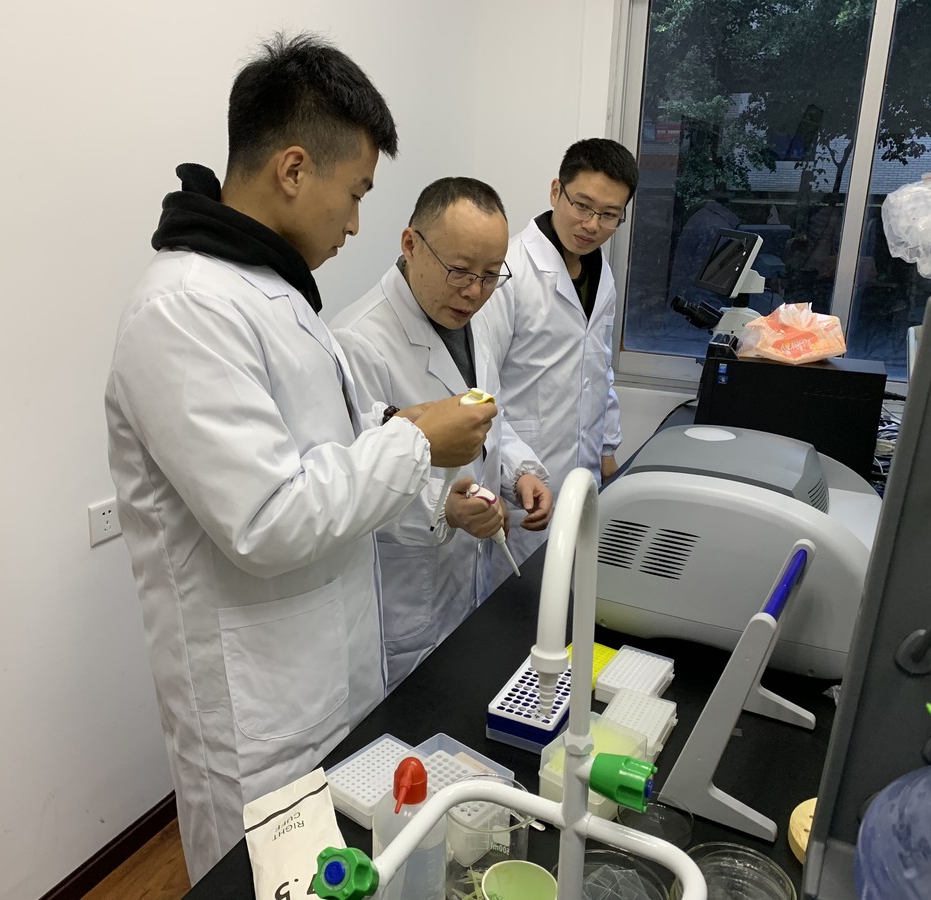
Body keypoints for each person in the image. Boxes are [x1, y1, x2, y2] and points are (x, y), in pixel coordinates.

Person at [103, 34, 495, 883]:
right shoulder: (185, 310)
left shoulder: (274, 290)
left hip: (328, 671)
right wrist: (415, 440)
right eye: (354, 193)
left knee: (342, 873)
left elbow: (333, 443)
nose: (355, 223)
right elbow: (268, 519)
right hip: (256, 713)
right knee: (267, 880)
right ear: (291, 169)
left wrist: (411, 456)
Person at [331, 178, 552, 689]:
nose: (474, 291)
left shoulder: (474, 318)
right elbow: (350, 482)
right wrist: (442, 508)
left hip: (467, 580)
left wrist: (517, 473)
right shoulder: (358, 341)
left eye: (491, 275)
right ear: (411, 244)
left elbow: (487, 417)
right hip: (407, 599)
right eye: (459, 270)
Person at [487, 138, 638, 573]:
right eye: (582, 206)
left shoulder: (600, 272)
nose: (592, 225)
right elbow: (479, 387)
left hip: (584, 473)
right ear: (556, 191)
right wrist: (512, 472)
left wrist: (607, 447)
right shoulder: (509, 270)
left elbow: (599, 366)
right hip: (524, 477)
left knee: (574, 588)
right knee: (522, 597)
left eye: (609, 215)